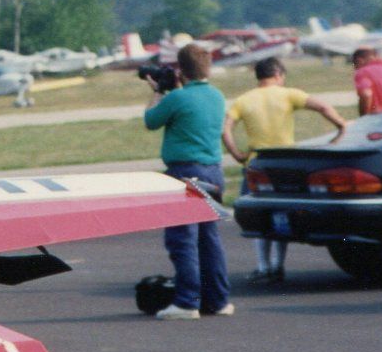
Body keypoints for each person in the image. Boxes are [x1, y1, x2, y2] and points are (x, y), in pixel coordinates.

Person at [222, 57, 348, 283]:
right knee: (281, 214)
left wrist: (237, 154)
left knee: (258, 215)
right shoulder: (289, 94)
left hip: (257, 161)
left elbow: (226, 128)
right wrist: (341, 125)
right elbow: (323, 107)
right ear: (278, 74)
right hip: (283, 162)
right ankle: (279, 266)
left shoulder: (244, 100)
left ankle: (263, 266)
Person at [141, 43, 232, 320]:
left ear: (181, 69)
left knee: (182, 239)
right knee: (209, 239)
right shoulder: (217, 96)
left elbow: (150, 120)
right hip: (213, 171)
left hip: (185, 172)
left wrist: (157, 91)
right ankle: (218, 300)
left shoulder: (176, 99)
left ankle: (186, 301)